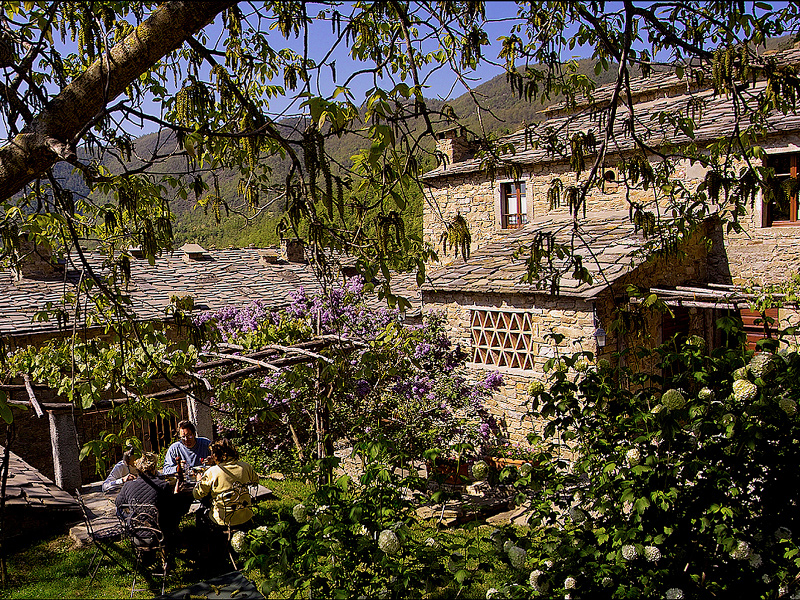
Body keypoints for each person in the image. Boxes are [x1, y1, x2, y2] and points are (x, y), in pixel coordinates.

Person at [115, 452, 192, 544]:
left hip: (136, 533)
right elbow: (173, 509)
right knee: (177, 509)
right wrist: (176, 494)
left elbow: (118, 503)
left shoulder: (128, 485)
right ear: (154, 468)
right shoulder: (162, 485)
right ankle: (177, 538)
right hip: (159, 534)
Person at [193, 438, 258, 528]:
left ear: (215, 454)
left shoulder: (213, 472)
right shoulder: (245, 466)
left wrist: (199, 481)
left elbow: (197, 494)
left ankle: (206, 540)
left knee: (201, 511)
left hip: (223, 519)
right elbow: (255, 481)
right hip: (245, 515)